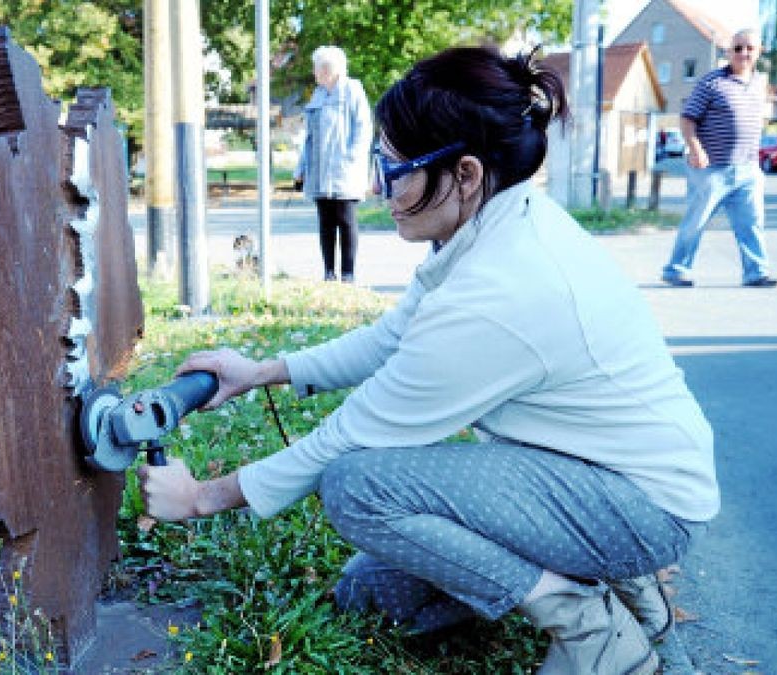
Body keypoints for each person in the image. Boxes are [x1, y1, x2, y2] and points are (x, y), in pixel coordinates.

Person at [140, 45, 717, 675]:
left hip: (638, 505)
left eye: (394, 169)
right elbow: (390, 339)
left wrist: (198, 498)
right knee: (374, 597)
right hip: (584, 470)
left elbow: (350, 438)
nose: (376, 188)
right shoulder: (490, 226)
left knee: (356, 487)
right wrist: (262, 371)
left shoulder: (502, 289)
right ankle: (602, 576)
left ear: (465, 174)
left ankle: (586, 622)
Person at [661, 29, 777, 288]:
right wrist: (695, 149)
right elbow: (687, 118)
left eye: (749, 48)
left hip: (747, 168)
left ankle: (756, 272)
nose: (743, 53)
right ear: (728, 52)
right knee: (696, 222)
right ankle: (677, 270)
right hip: (711, 169)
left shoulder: (760, 83)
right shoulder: (711, 83)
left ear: (759, 51)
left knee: (752, 223)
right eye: (737, 48)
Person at [294, 46, 373, 283]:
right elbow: (308, 137)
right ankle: (329, 272)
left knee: (346, 220)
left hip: (344, 171)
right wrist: (301, 168)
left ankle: (348, 274)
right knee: (325, 222)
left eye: (316, 67)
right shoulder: (317, 95)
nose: (314, 72)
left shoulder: (352, 90)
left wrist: (351, 159)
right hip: (319, 170)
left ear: (328, 69)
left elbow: (363, 129)